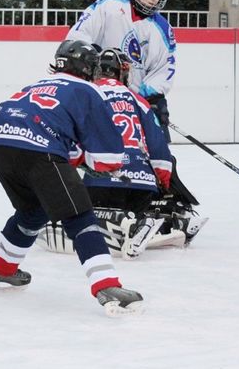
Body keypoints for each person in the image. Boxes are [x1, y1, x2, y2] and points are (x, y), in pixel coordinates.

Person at [0, 40, 144, 316]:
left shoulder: (34, 84)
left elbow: (40, 122)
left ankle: (0, 268)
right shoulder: (88, 89)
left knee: (32, 211)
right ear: (86, 68)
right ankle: (106, 285)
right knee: (80, 216)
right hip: (39, 152)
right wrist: (98, 165)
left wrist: (72, 155)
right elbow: (108, 157)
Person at [37, 48, 207, 259]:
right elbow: (160, 152)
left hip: (100, 182)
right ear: (122, 73)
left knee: (74, 208)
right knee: (162, 174)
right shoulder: (139, 101)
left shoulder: (84, 93)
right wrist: (163, 184)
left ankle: (121, 224)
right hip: (142, 188)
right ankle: (166, 217)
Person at [66, 0, 176, 141]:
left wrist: (151, 99)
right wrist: (93, 59)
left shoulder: (163, 29)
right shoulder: (108, 6)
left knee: (158, 152)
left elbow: (163, 70)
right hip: (99, 94)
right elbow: (79, 36)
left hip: (135, 101)